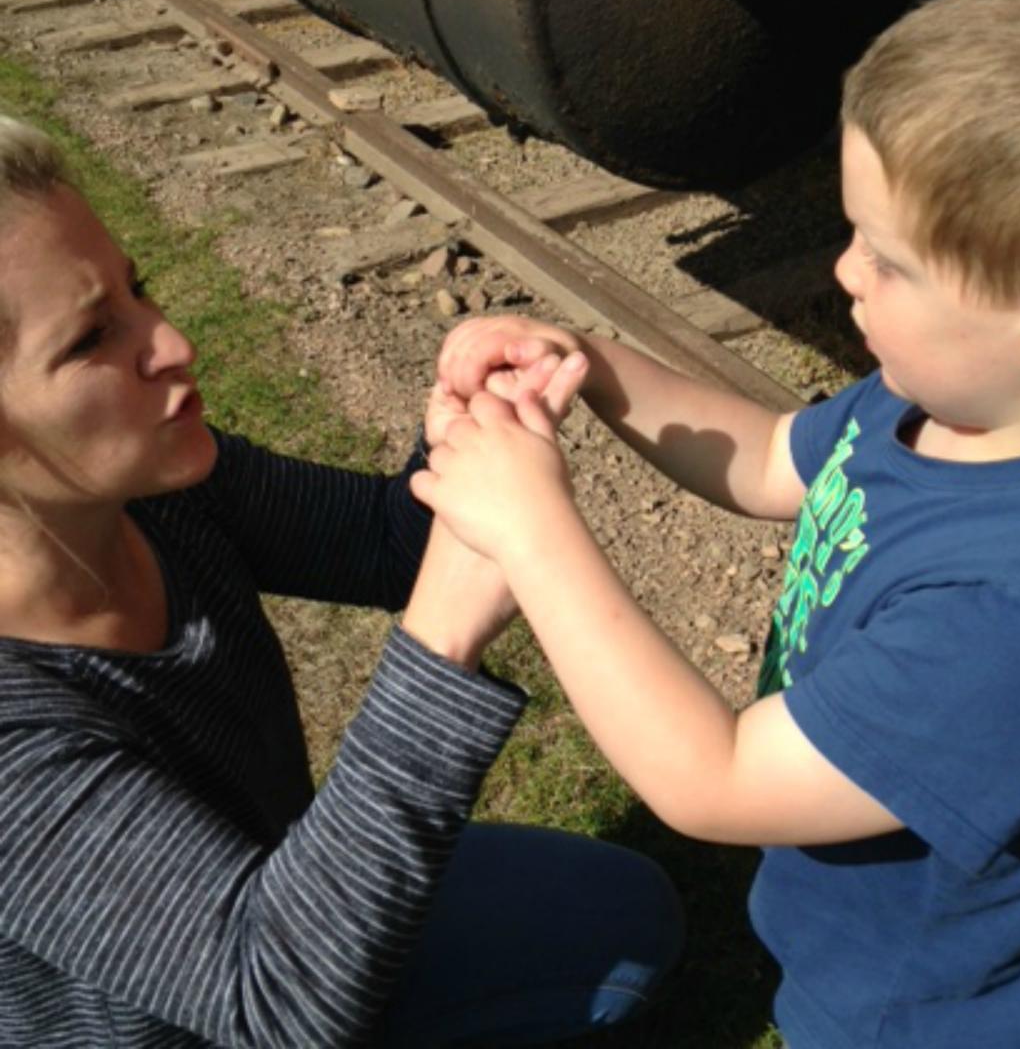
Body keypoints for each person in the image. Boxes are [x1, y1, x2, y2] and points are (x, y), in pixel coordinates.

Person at [420, 0, 1020, 1048]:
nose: (842, 273)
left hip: (919, 1015)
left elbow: (716, 781)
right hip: (860, 943)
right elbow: (775, 458)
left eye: (884, 258)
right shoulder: (958, 403)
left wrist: (534, 534)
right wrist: (588, 362)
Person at [0, 115, 683, 1048]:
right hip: (211, 1018)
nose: (172, 342)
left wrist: (455, 441)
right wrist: (441, 642)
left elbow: (379, 540)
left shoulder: (157, 493)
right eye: (92, 337)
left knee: (623, 916)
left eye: (139, 289)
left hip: (271, 903)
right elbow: (275, 1002)